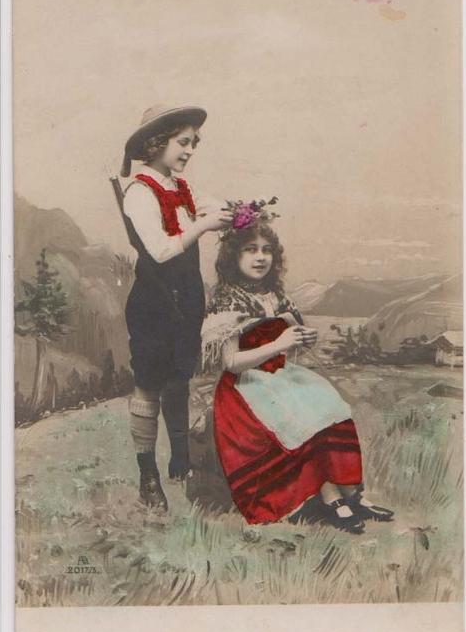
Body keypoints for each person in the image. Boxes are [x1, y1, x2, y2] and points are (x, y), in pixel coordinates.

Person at [202, 218, 394, 533]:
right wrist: (279, 343)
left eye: (266, 250)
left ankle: (351, 493)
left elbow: (290, 346)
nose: (260, 257)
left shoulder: (276, 296)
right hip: (245, 387)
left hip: (277, 376)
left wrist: (303, 339)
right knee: (300, 416)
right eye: (251, 250)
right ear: (233, 257)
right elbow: (232, 362)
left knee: (327, 406)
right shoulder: (226, 300)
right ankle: (331, 497)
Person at [120, 104, 233, 511]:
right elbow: (163, 249)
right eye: (182, 142)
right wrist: (203, 224)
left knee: (179, 378)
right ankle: (147, 474)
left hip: (185, 300)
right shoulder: (138, 192)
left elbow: (206, 209)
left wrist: (232, 214)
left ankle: (180, 460)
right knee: (150, 385)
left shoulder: (179, 188)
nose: (189, 151)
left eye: (193, 144)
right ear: (156, 143)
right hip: (153, 303)